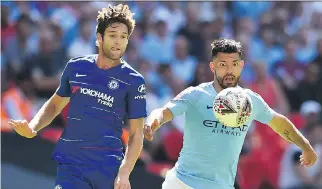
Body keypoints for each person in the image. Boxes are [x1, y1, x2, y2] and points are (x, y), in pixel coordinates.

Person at [143, 38, 318, 189]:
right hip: (183, 183)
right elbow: (163, 111)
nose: (229, 70)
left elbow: (279, 122)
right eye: (222, 64)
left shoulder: (250, 100)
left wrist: (305, 146)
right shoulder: (196, 94)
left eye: (234, 64)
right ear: (212, 66)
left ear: (241, 66)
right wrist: (152, 123)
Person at [8, 4, 146, 189]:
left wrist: (124, 171)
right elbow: (55, 104)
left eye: (123, 37)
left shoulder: (134, 81)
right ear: (99, 37)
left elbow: (137, 134)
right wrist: (33, 127)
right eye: (113, 35)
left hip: (108, 170)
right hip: (72, 165)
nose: (118, 41)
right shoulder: (76, 67)